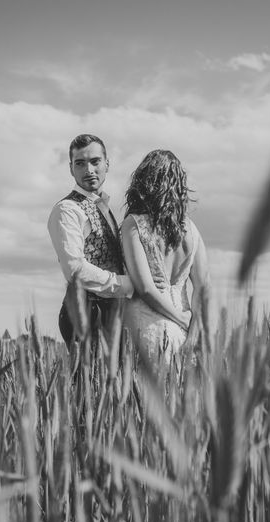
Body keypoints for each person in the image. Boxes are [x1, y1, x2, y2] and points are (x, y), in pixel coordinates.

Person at [121, 149, 210, 369]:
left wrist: (179, 318)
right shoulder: (191, 229)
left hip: (147, 326)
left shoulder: (133, 224)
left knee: (145, 400)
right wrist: (193, 329)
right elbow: (203, 287)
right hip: (185, 333)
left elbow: (146, 289)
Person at [48, 134, 134, 345]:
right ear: (71, 168)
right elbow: (75, 269)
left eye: (95, 162)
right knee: (88, 379)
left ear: (107, 164)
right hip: (87, 314)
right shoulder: (67, 209)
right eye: (80, 163)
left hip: (111, 314)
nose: (88, 170)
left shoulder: (103, 206)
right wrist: (128, 284)